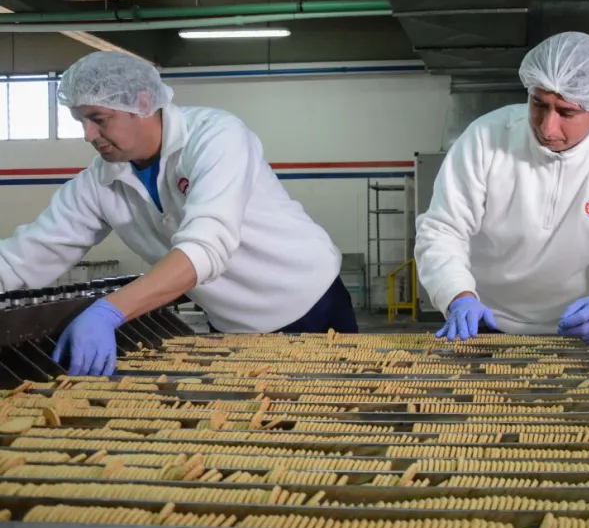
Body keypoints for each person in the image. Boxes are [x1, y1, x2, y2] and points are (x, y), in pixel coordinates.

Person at [0, 52, 357, 376]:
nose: (88, 135)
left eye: (98, 119)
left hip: (312, 304)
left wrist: (109, 311)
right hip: (232, 324)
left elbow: (205, 247)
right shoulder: (99, 183)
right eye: (81, 121)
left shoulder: (215, 136)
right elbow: (25, 257)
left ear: (141, 103)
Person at [415, 31, 589, 344]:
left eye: (567, 112)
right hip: (484, 324)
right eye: (538, 104)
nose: (548, 127)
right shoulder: (485, 139)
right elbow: (442, 231)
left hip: (581, 330)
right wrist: (457, 295)